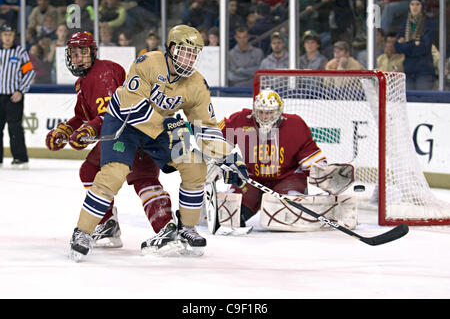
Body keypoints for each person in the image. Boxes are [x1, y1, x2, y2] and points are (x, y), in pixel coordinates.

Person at [68, 25, 248, 261]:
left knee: (194, 165)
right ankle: (82, 233)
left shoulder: (196, 84)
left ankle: (187, 228)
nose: (191, 59)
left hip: (160, 128)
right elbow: (132, 105)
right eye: (186, 52)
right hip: (124, 123)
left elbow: (206, 127)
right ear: (172, 49)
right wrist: (168, 127)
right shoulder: (148, 62)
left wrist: (229, 159)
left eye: (195, 54)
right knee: (114, 173)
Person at [46, 31, 174, 249]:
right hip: (134, 131)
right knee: (139, 175)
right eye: (74, 54)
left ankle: (118, 225)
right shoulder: (84, 81)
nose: (78, 58)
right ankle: (163, 229)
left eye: (83, 53)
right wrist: (65, 130)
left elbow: (113, 114)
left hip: (130, 131)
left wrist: (88, 131)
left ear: (93, 53)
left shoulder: (103, 73)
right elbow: (82, 116)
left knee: (103, 172)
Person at [211, 89, 355, 229]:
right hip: (252, 179)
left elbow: (310, 157)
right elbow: (216, 143)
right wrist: (211, 162)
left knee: (284, 215)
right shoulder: (240, 120)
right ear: (254, 109)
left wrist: (323, 173)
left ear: (279, 111)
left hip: (287, 179)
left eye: (269, 112)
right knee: (229, 215)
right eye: (260, 112)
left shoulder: (295, 124)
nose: (265, 117)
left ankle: (327, 208)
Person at [0, 23, 35, 169]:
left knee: (15, 128)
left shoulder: (20, 52)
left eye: (10, 35)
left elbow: (29, 72)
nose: (7, 37)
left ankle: (20, 157)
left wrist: (20, 91)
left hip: (13, 97)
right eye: (5, 34)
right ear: (1, 36)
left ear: (14, 36)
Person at [394, 0, 436, 90]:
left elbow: (424, 47)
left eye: (417, 4)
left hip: (424, 71)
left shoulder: (429, 23)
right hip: (408, 70)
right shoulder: (405, 23)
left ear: (422, 6)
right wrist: (415, 43)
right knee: (408, 100)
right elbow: (397, 47)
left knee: (423, 100)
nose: (415, 7)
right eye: (412, 4)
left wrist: (406, 43)